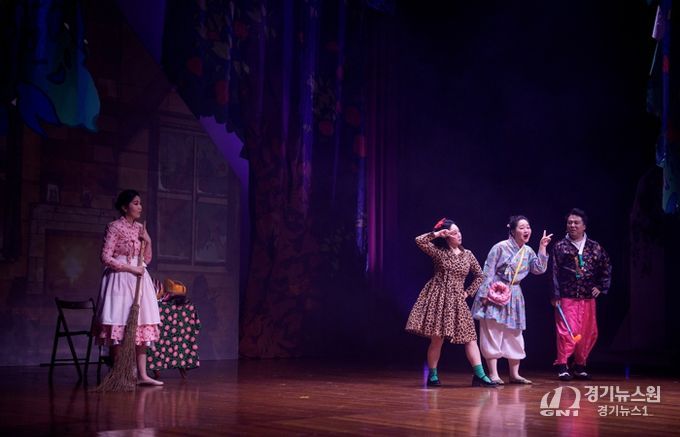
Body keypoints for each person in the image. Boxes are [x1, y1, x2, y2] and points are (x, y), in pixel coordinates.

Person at [406, 218, 497, 387]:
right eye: (454, 232)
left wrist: (468, 292)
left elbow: (480, 275)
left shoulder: (467, 254)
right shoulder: (439, 252)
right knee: (437, 339)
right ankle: (433, 375)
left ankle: (480, 375)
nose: (459, 235)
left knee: (470, 337)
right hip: (439, 297)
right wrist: (436, 234)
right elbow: (419, 241)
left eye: (459, 231)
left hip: (458, 299)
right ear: (446, 236)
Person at [94, 189, 163, 386]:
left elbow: (146, 259)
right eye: (135, 203)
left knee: (140, 324)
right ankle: (120, 373)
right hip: (121, 278)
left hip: (139, 278)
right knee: (120, 323)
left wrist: (148, 241)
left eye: (140, 203)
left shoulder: (140, 228)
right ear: (125, 207)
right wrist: (130, 268)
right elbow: (105, 257)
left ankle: (142, 374)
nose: (140, 207)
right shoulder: (114, 227)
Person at [471, 215, 552, 384]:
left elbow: (539, 269)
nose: (526, 230)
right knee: (493, 331)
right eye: (522, 228)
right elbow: (488, 271)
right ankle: (493, 373)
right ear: (513, 231)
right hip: (495, 291)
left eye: (528, 227)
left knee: (514, 332)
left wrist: (542, 247)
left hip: (514, 294)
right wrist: (485, 295)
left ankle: (514, 374)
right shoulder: (500, 247)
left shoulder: (528, 251)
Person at [551, 208, 611, 381]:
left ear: (584, 226)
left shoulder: (594, 247)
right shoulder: (560, 246)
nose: (572, 225)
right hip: (567, 296)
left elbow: (606, 266)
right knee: (566, 331)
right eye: (569, 222)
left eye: (576, 223)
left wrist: (601, 286)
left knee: (587, 332)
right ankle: (563, 365)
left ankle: (580, 365)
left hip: (587, 297)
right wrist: (555, 294)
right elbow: (553, 271)